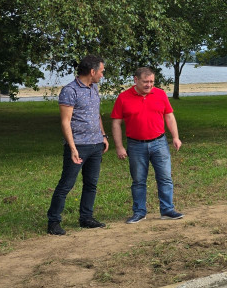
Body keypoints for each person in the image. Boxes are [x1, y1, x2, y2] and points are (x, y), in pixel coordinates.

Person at [110, 67, 184, 223]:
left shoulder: (160, 94)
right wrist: (119, 146)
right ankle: (139, 212)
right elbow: (116, 123)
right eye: (145, 81)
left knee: (165, 178)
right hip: (136, 145)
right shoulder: (123, 98)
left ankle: (167, 209)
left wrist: (175, 137)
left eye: (151, 81)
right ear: (136, 80)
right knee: (138, 181)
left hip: (159, 143)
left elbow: (169, 116)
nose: (149, 85)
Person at [46, 55, 108, 235]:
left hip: (96, 144)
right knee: (66, 184)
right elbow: (65, 122)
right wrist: (72, 148)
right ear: (92, 71)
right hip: (78, 146)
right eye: (102, 71)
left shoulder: (94, 88)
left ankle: (86, 218)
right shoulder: (69, 90)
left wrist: (103, 135)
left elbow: (96, 115)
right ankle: (54, 221)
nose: (102, 75)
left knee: (91, 184)